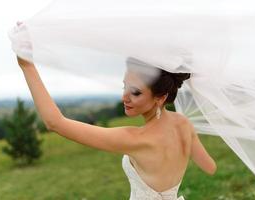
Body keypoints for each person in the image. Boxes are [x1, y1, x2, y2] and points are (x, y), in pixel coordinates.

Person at [16, 55, 217, 200]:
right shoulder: (183, 124)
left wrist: (27, 66)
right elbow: (210, 167)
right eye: (124, 87)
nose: (124, 97)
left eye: (135, 92)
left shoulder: (135, 139)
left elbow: (55, 123)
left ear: (161, 97)